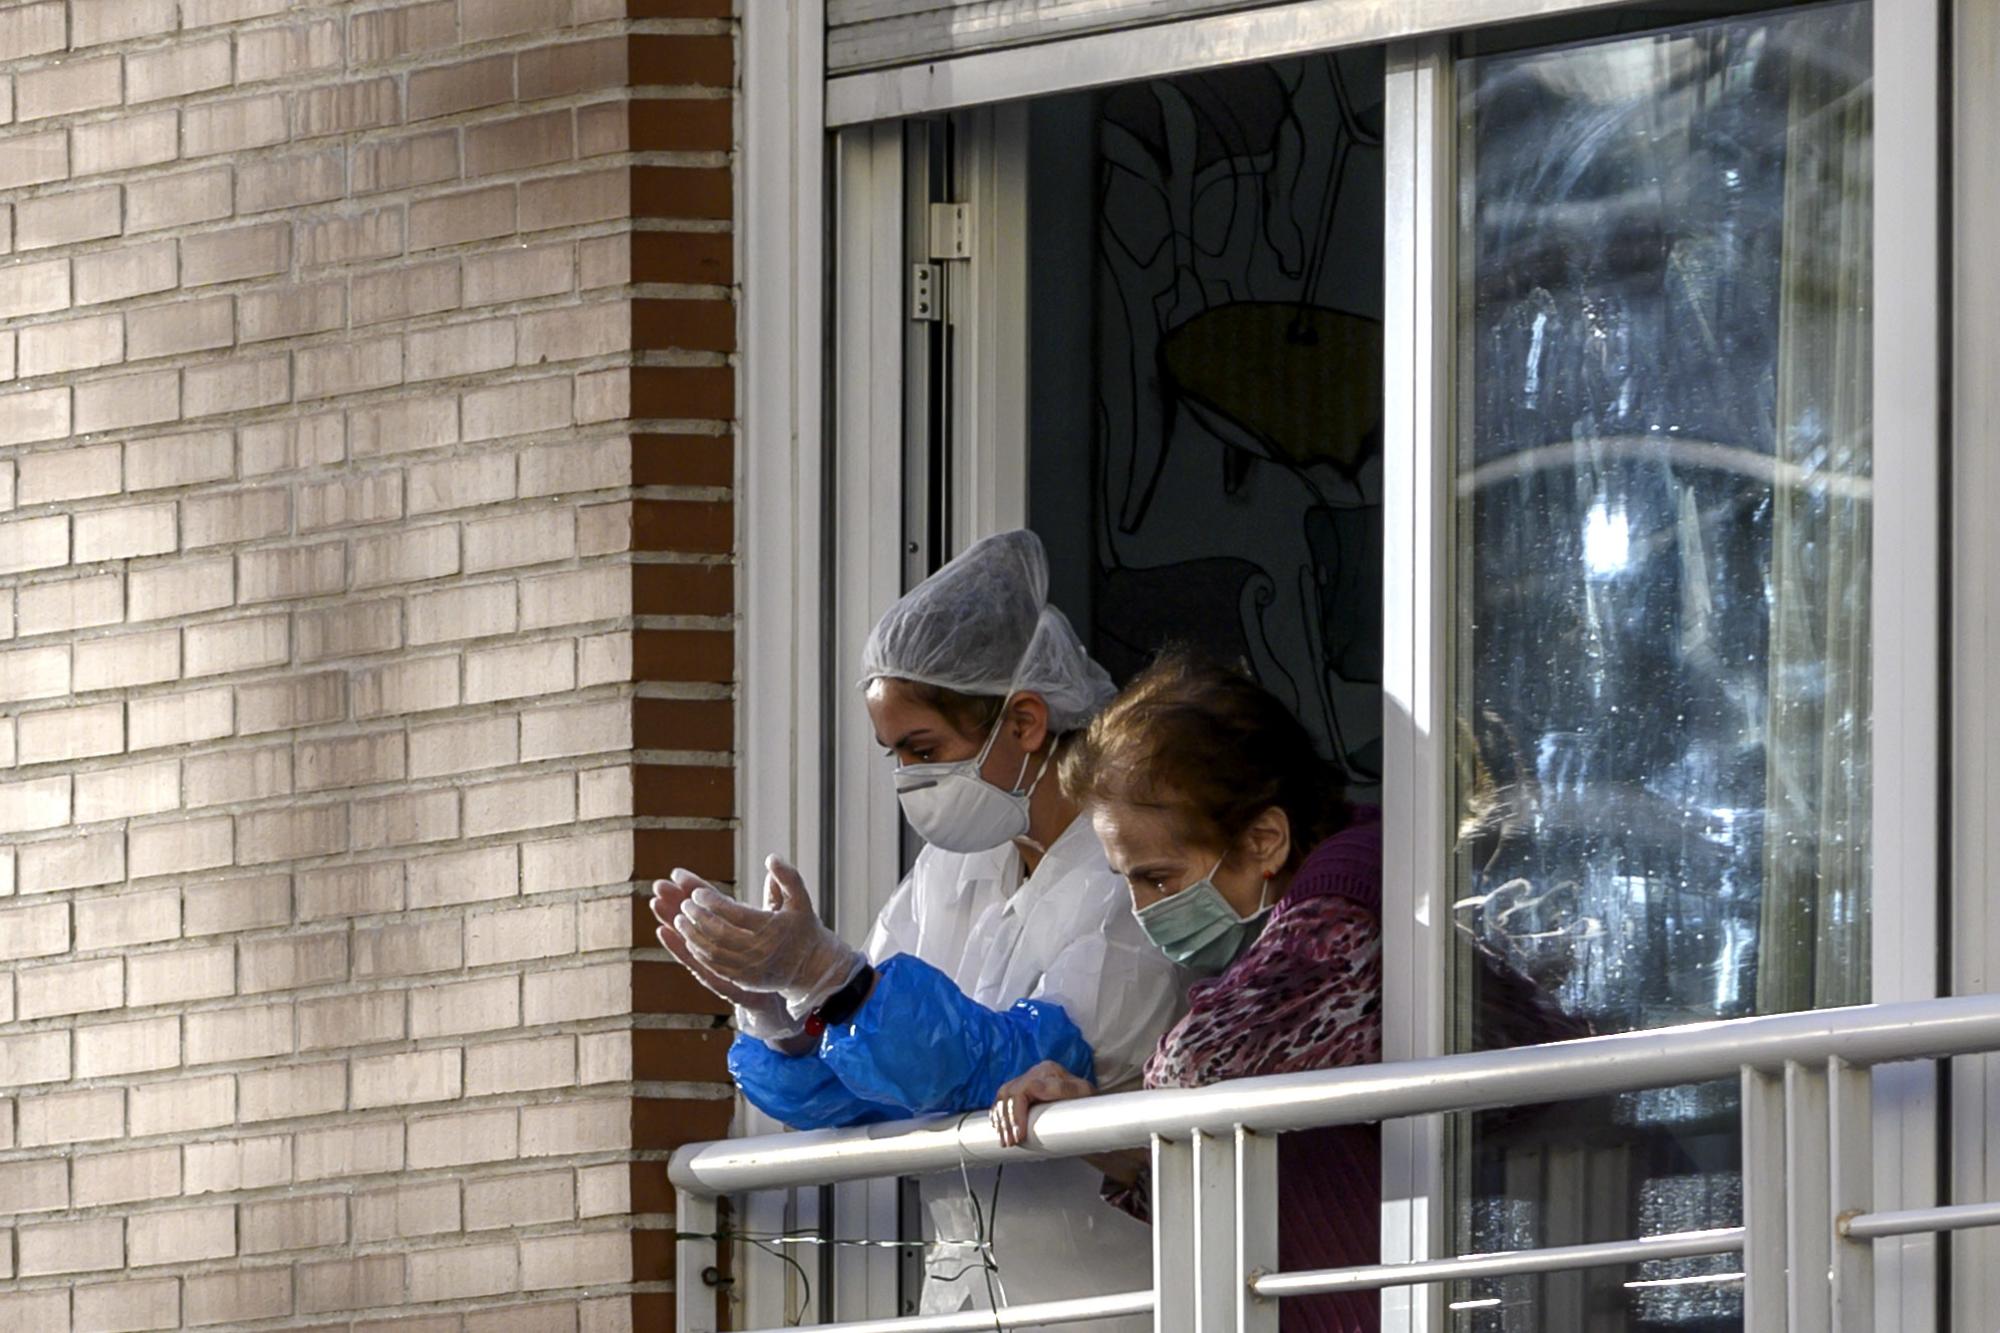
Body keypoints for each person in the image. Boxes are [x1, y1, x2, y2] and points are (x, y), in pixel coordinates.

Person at [652, 530, 1186, 1327]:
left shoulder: (1136, 868)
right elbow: (869, 1084)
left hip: (1116, 1302)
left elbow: (1023, 1066)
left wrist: (836, 982)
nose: (907, 776)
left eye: (922, 747)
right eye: (894, 752)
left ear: (1026, 722)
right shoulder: (951, 868)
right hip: (964, 1305)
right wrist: (784, 1016)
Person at [988, 652, 1387, 1333]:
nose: (1142, 911)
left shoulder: (1346, 898)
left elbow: (1195, 1068)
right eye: (1128, 881)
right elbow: (1198, 1129)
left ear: (1265, 837)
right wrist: (1088, 1122)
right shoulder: (1332, 876)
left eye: (1160, 878)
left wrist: (1112, 1108)